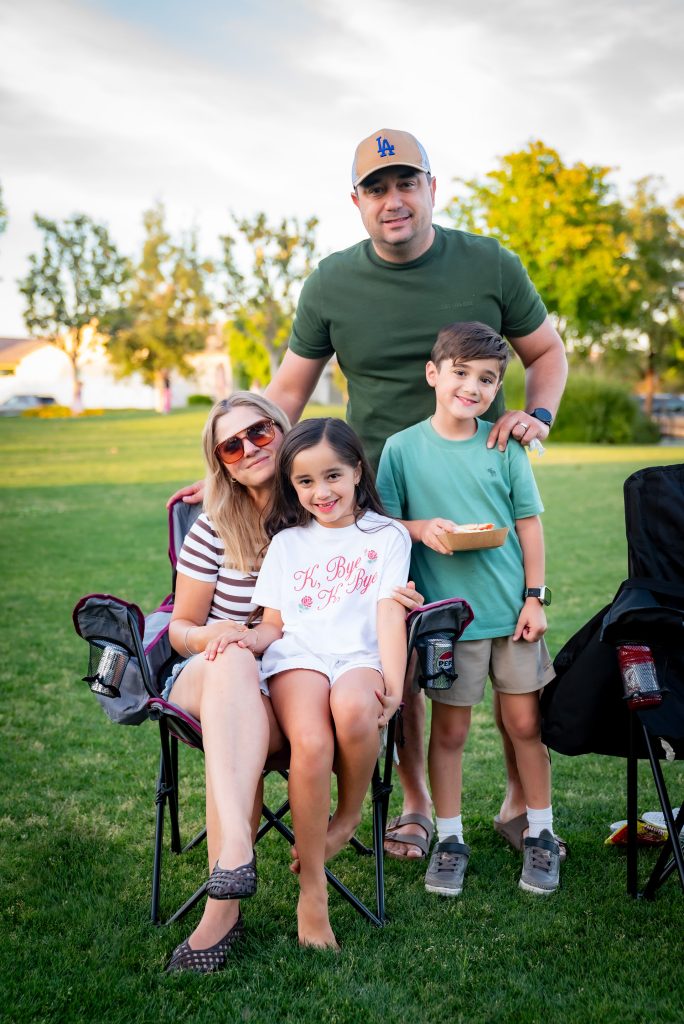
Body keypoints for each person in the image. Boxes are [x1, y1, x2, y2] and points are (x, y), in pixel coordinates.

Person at [170, 128, 568, 860]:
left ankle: (520, 804)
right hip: (368, 501)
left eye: (405, 183)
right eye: (377, 188)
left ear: (431, 188)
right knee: (400, 650)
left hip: (477, 480)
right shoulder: (331, 282)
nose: (394, 200)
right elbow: (289, 388)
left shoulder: (489, 262)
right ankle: (414, 801)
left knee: (508, 624)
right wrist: (238, 460)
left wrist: (533, 416)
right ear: (356, 202)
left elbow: (546, 351)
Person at [163, 393, 420, 972]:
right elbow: (197, 625)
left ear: (284, 435)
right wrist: (220, 636)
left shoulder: (338, 520)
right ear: (220, 462)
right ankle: (232, 871)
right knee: (238, 666)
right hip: (228, 674)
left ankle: (254, 866)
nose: (248, 448)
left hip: (297, 682)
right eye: (231, 445)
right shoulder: (217, 526)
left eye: (258, 433)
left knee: (327, 715)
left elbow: (372, 541)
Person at [376, 321, 561, 896]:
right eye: (461, 374)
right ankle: (451, 838)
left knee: (526, 724)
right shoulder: (401, 449)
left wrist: (535, 598)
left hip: (511, 616)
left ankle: (541, 833)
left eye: (487, 379)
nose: (473, 387)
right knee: (450, 731)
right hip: (448, 623)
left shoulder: (502, 444)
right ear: (434, 374)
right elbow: (381, 529)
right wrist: (420, 528)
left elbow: (528, 526)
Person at [248, 418, 411, 948]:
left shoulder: (387, 536)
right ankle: (312, 891)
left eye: (333, 476)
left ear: (358, 470)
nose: (322, 492)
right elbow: (273, 623)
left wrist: (395, 684)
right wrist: (237, 640)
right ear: (292, 486)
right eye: (306, 482)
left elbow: (389, 614)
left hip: (359, 653)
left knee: (358, 709)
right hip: (299, 655)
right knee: (312, 742)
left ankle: (349, 813)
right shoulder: (288, 543)